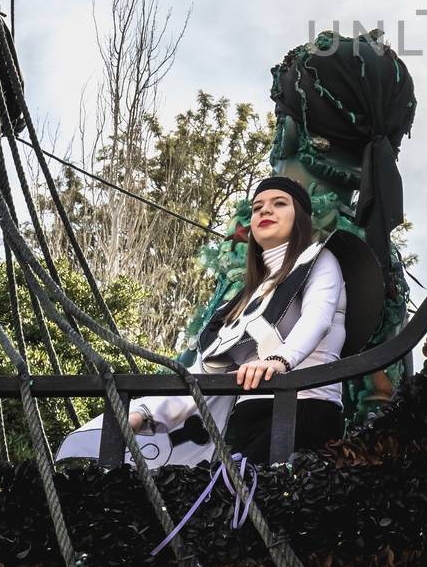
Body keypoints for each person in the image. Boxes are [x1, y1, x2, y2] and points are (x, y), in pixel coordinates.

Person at [128, 176, 347, 461]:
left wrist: (280, 360)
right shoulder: (245, 299)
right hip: (246, 419)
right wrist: (145, 413)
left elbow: (318, 318)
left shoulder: (320, 260)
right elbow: (203, 373)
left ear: (301, 218)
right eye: (257, 208)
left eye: (279, 204)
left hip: (303, 409)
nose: (264, 212)